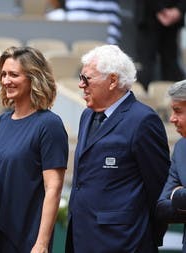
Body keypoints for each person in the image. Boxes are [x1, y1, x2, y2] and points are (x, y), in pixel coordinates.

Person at [65, 45, 170, 252]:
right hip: (82, 238)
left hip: (123, 243)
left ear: (112, 81)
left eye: (87, 79)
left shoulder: (143, 120)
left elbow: (159, 189)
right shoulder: (88, 115)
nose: (80, 85)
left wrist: (147, 238)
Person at [0, 46, 68, 253]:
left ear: (34, 78)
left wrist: (42, 243)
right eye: (3, 74)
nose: (6, 80)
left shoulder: (49, 125)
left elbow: (53, 189)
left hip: (24, 238)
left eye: (13, 74)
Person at [157, 80, 186, 252]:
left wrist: (177, 194)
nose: (172, 119)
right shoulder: (181, 148)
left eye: (178, 111)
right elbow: (162, 208)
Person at [135, 0, 186, 91]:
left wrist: (179, 9)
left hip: (173, 20)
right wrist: (161, 9)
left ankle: (174, 100)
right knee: (145, 66)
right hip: (148, 16)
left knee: (171, 65)